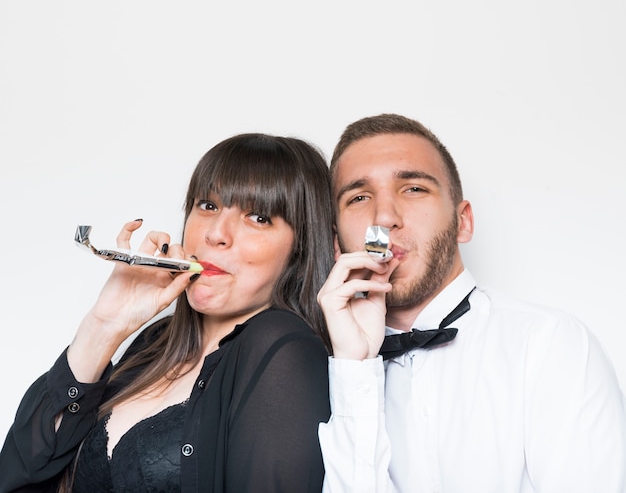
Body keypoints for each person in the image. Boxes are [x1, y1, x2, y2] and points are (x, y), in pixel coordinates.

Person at [1, 133, 335, 493]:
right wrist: (104, 325)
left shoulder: (283, 348)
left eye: (257, 217)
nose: (216, 234)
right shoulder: (153, 343)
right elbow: (16, 477)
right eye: (207, 206)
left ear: (300, 248)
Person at [317, 113, 626, 493]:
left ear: (463, 222)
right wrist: (355, 369)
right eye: (360, 197)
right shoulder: (318, 373)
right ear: (335, 243)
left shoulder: (549, 345)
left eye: (413, 189)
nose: (384, 218)